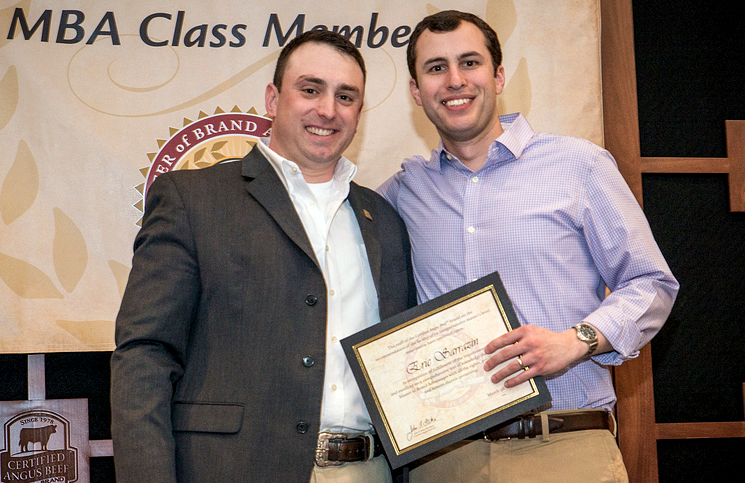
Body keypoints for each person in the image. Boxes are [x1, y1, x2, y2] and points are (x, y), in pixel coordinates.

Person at [378, 10, 679, 483]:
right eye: (436, 68)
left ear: (498, 76)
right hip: (444, 462)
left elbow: (652, 284)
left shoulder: (579, 165)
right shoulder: (399, 195)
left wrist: (575, 341)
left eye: (470, 63)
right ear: (416, 91)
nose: (455, 80)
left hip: (565, 447)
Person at [111, 30, 416, 483]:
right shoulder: (193, 199)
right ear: (273, 98)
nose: (327, 110)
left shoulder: (384, 219)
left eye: (346, 96)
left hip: (369, 471)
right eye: (310, 90)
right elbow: (144, 356)